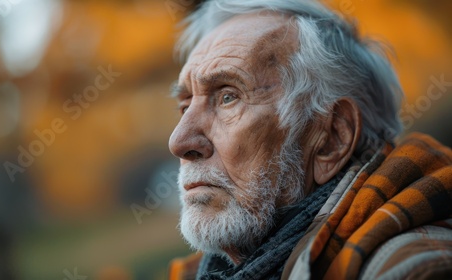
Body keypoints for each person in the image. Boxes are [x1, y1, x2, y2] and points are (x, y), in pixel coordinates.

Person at [167, 1, 452, 279]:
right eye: (185, 105)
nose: (179, 142)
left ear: (331, 139)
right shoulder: (204, 273)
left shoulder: (416, 268)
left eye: (228, 97)